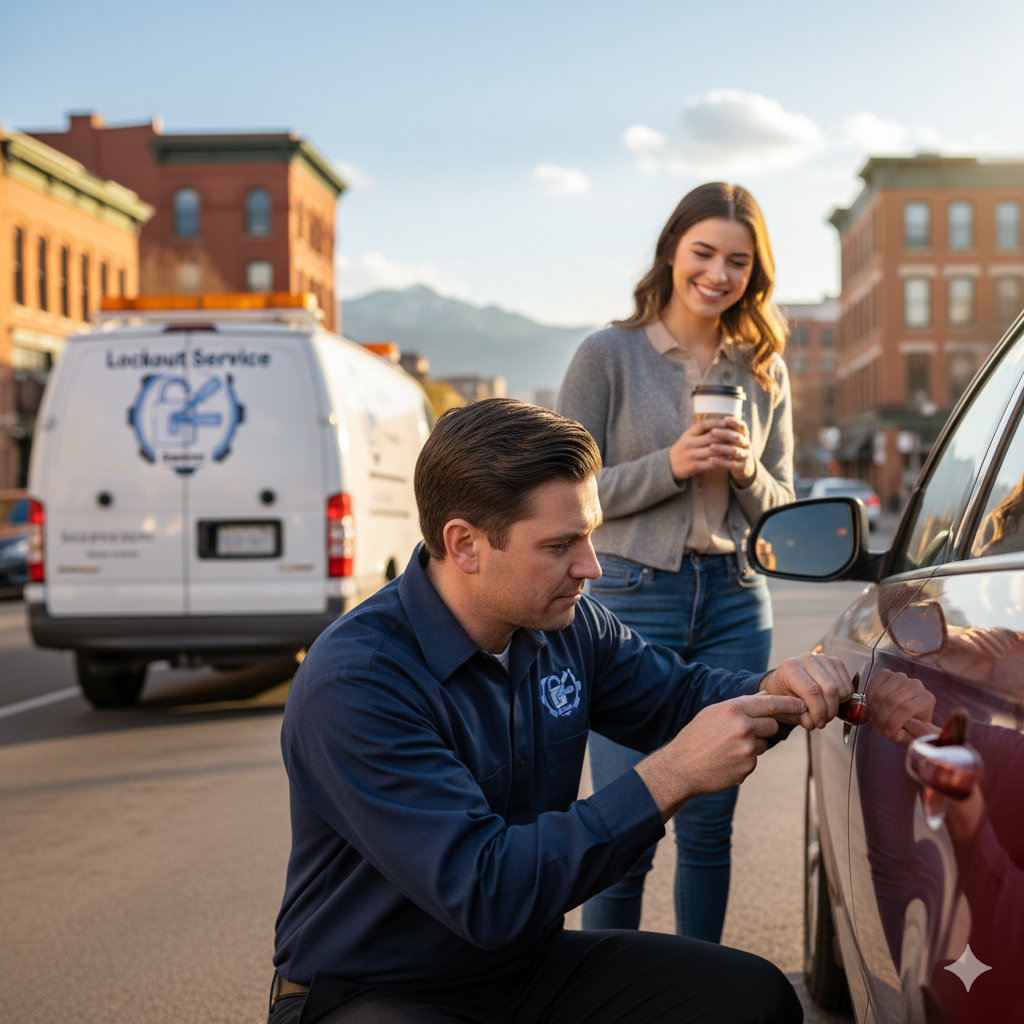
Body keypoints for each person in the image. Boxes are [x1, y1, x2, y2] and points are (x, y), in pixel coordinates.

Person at [269, 398, 852, 1024]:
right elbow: (485, 890)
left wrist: (787, 688)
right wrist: (674, 773)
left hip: (522, 970)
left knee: (749, 999)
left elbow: (678, 696)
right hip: (375, 990)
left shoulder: (564, 624)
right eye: (560, 544)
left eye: (591, 534)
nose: (591, 567)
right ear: (464, 544)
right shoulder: (358, 680)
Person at [556, 182, 794, 941]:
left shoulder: (763, 369)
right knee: (622, 834)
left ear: (754, 272)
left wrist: (750, 469)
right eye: (704, 253)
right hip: (628, 599)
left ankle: (703, 999)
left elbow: (783, 516)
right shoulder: (608, 354)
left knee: (709, 829)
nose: (718, 275)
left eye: (737, 261)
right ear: (671, 252)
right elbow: (563, 492)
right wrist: (672, 463)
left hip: (734, 597)